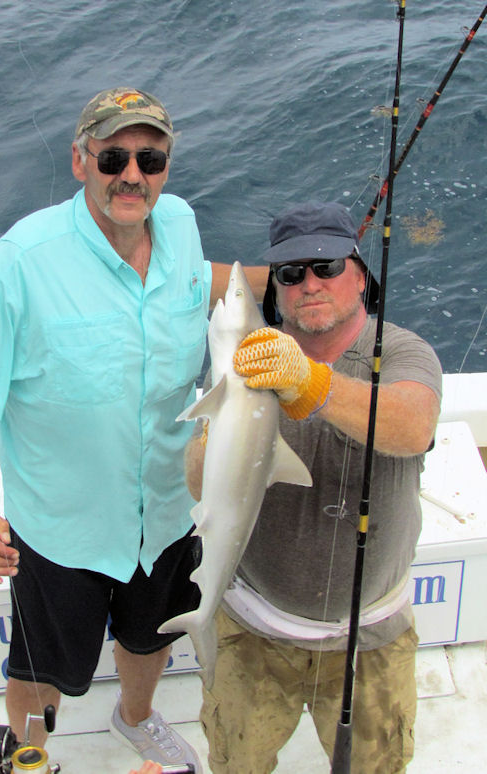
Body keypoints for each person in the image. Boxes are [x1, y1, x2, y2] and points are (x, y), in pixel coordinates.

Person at [0, 86, 266, 772]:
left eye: (149, 157)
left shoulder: (183, 225)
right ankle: (30, 752)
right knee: (42, 669)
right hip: (62, 530)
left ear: (166, 165)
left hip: (167, 510)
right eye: (112, 157)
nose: (131, 174)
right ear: (80, 162)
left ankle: (134, 716)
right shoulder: (21, 263)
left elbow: (200, 281)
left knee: (149, 638)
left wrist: (292, 283)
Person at [185, 201, 442, 773]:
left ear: (358, 273)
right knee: (236, 763)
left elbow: (411, 425)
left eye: (325, 266)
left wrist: (311, 381)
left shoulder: (400, 352)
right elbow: (197, 480)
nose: (309, 284)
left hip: (369, 640)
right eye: (291, 273)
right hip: (252, 630)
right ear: (275, 286)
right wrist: (217, 426)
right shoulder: (250, 357)